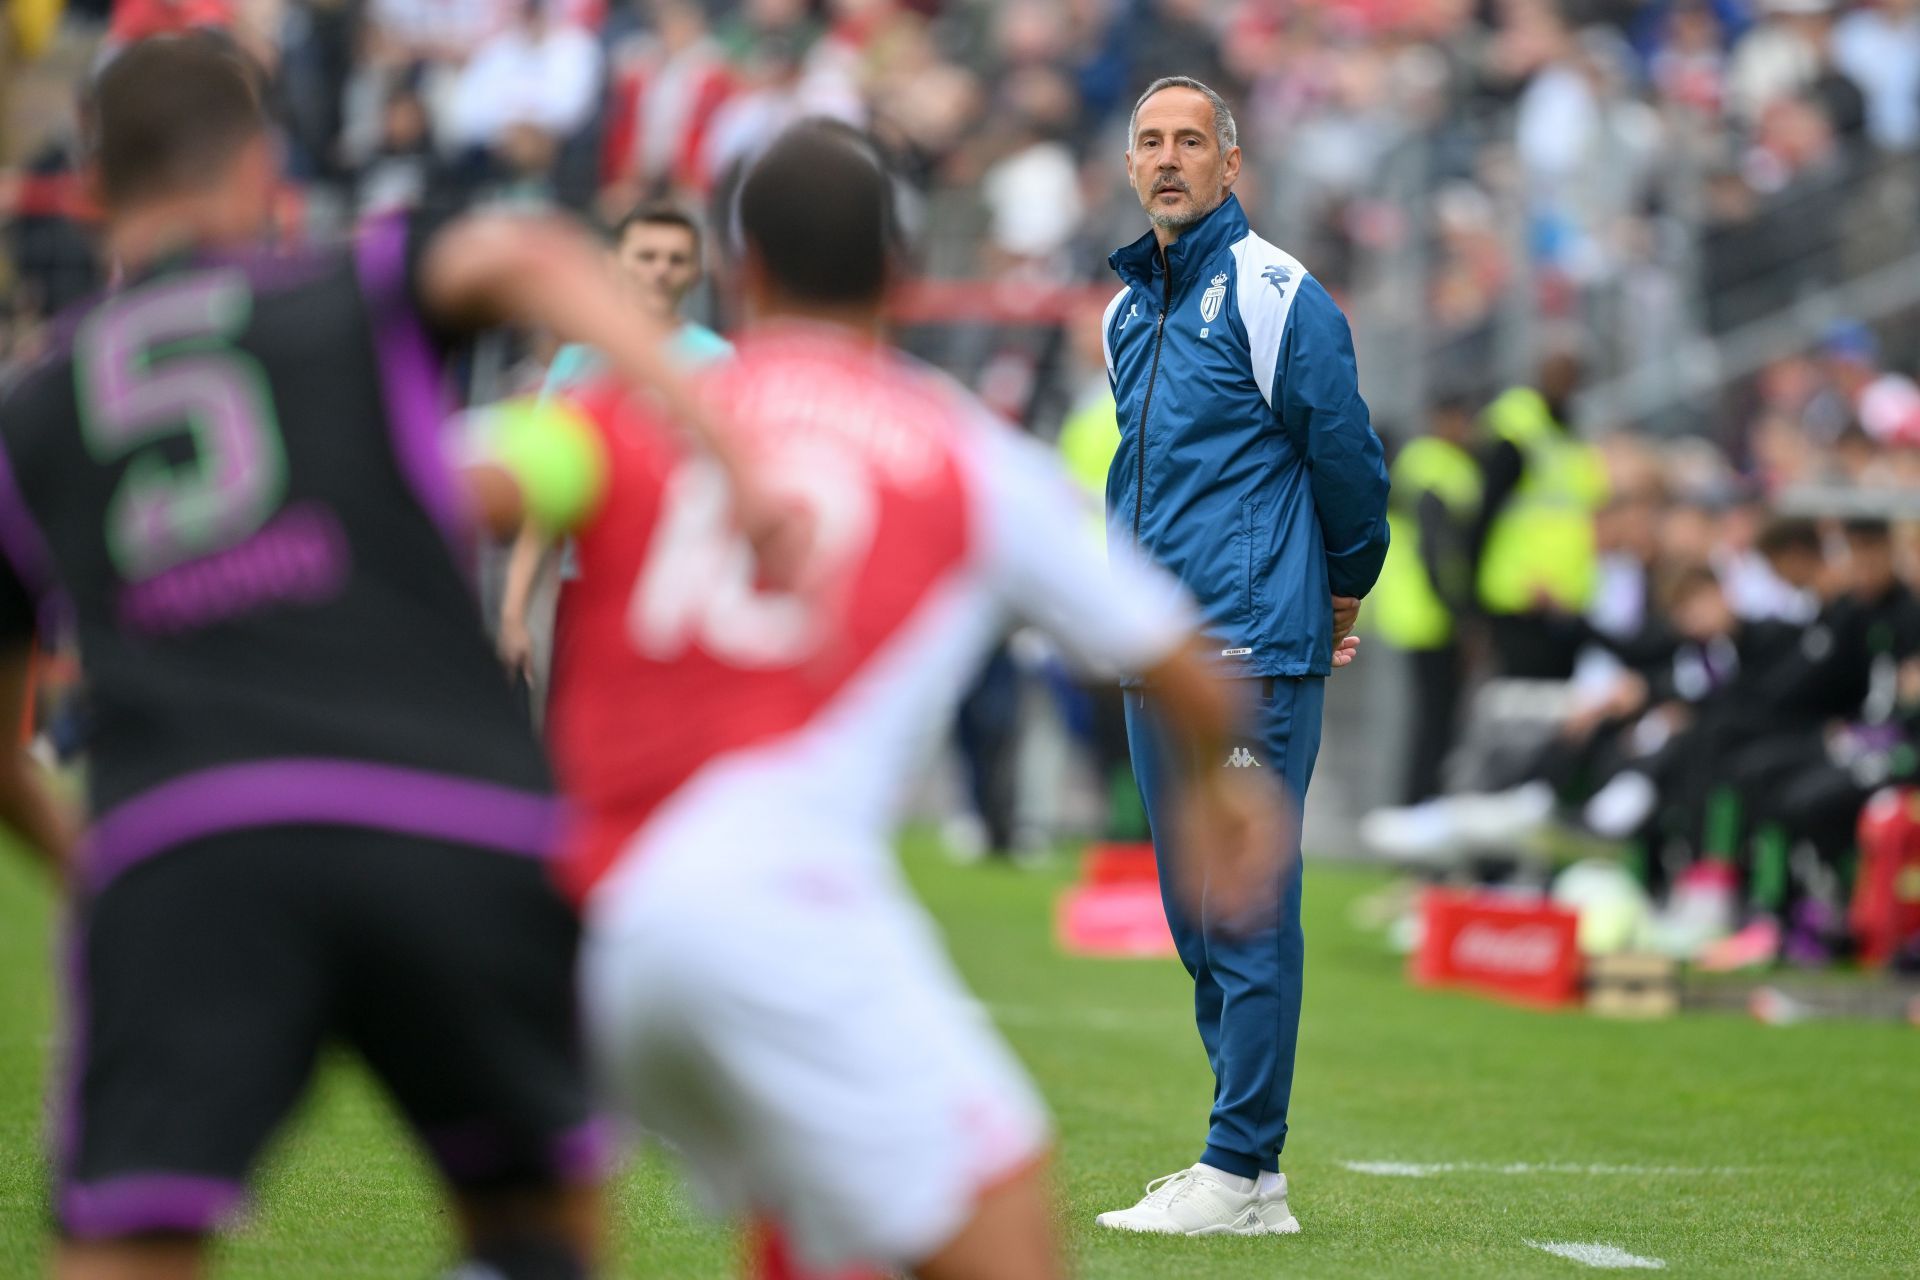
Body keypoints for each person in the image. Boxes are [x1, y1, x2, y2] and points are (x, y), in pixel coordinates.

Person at [0, 35, 764, 1280]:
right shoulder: (345, 287)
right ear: (264, 169)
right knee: (537, 1225)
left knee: (129, 1236)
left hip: (192, 831)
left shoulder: (31, 411)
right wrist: (721, 440)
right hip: (449, 805)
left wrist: (90, 866)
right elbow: (522, 251)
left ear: (87, 191)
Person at [474, 122, 1290, 1280]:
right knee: (1004, 1220)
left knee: (811, 1211)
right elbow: (1185, 662)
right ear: (901, 278)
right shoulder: (955, 447)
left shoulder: (635, 408)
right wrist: (1221, 788)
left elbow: (452, 484)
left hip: (584, 922)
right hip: (770, 903)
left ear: (741, 271)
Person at [1095, 76, 1389, 1236]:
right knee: (1193, 912)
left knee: (1246, 904)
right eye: (1151, 143)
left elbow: (1351, 462)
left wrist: (1338, 591)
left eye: (1191, 142)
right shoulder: (1126, 314)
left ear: (1231, 161)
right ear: (1131, 166)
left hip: (1254, 647)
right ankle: (1248, 1174)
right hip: (1156, 653)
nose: (1170, 160)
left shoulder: (1276, 293)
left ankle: (1237, 1158)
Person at [496, 202, 730, 689]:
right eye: (646, 256)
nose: (660, 271)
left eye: (676, 259)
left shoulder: (723, 367)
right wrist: (513, 611)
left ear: (696, 271)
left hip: (684, 592)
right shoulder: (574, 366)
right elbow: (545, 501)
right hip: (587, 590)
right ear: (614, 264)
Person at [1371, 397, 1483, 804]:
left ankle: (1416, 809)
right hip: (1429, 612)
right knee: (1435, 725)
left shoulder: (1421, 462)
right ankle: (1417, 810)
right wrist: (1461, 616)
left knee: (1431, 723)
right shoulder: (1436, 465)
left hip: (1417, 609)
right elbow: (1435, 549)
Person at [1472, 352, 1609, 681]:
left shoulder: (1569, 430)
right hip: (1524, 595)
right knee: (1525, 703)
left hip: (1565, 599)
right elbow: (1484, 515)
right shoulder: (1518, 431)